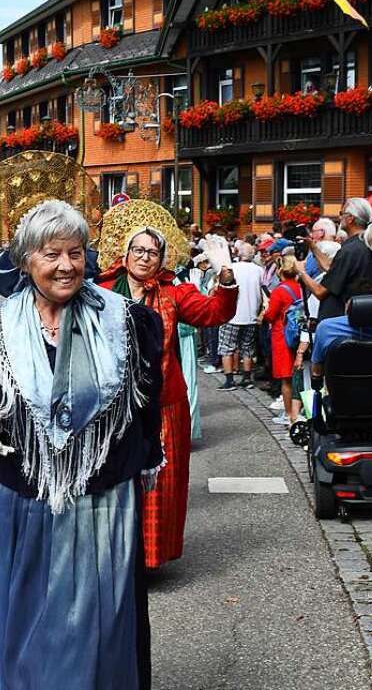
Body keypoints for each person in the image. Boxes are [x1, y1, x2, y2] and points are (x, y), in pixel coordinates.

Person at [0, 200, 163, 690]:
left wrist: (149, 453)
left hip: (102, 495)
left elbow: (147, 394)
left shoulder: (128, 322)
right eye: (51, 254)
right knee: (22, 608)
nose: (66, 265)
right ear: (26, 260)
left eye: (75, 252)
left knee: (97, 615)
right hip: (22, 498)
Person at [96, 202, 238, 569]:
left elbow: (215, 313)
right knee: (112, 479)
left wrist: (225, 276)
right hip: (110, 406)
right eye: (138, 250)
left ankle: (148, 559)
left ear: (161, 258)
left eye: (152, 252)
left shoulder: (174, 293)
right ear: (125, 254)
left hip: (163, 406)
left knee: (158, 483)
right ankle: (113, 555)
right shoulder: (102, 291)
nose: (144, 257)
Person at [300, 198, 372, 321]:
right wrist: (313, 247)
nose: (339, 218)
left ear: (350, 218)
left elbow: (319, 291)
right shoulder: (369, 246)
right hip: (364, 317)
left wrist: (301, 271)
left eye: (341, 214)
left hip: (342, 320)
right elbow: (333, 268)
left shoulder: (349, 250)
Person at [261, 257, 303, 426]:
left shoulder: (279, 290)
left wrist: (264, 312)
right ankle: (299, 411)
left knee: (286, 378)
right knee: (299, 375)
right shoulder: (301, 287)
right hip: (299, 335)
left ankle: (288, 413)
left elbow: (270, 315)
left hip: (282, 334)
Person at [216, 242, 264, 391]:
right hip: (251, 314)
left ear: (238, 253)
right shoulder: (259, 270)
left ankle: (230, 380)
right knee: (247, 347)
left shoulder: (232, 268)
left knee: (226, 347)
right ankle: (247, 378)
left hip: (232, 315)